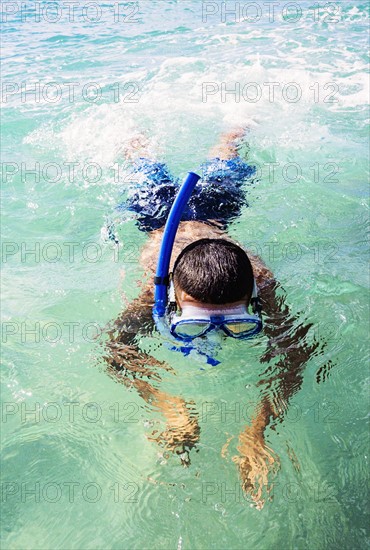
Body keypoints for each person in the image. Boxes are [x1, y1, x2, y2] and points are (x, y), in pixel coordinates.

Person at [105, 129, 326, 509]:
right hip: (155, 215)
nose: (216, 333)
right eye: (195, 322)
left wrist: (257, 429)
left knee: (228, 152)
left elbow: (297, 354)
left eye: (238, 324)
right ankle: (134, 135)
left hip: (215, 213)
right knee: (144, 165)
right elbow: (113, 350)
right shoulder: (151, 294)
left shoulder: (264, 284)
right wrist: (168, 405)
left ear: (252, 299)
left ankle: (235, 127)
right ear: (173, 300)